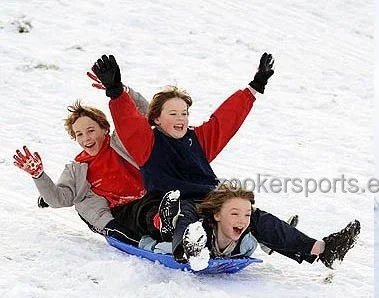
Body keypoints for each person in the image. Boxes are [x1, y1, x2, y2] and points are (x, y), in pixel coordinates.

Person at [91, 53, 361, 268]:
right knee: (183, 214)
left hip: (210, 199)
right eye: (172, 113)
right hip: (168, 202)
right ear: (157, 118)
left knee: (251, 214)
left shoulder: (198, 139)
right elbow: (128, 123)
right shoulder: (148, 142)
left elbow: (226, 119)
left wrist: (254, 88)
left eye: (184, 113)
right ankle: (189, 249)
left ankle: (321, 250)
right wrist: (115, 91)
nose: (180, 119)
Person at [12, 93, 172, 245]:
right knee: (147, 212)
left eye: (90, 131)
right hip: (124, 211)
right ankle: (166, 227)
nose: (86, 138)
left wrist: (121, 92)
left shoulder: (122, 142)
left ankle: (186, 229)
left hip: (153, 193)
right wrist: (39, 176)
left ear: (104, 129)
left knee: (175, 200)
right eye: (79, 134)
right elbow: (59, 198)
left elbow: (143, 115)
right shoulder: (78, 168)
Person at [190, 187, 360, 269]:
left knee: (259, 222)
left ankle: (323, 249)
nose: (242, 220)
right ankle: (271, 244)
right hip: (213, 242)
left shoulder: (246, 238)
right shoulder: (197, 232)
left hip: (243, 245)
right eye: (235, 214)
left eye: (246, 215)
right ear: (217, 215)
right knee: (260, 225)